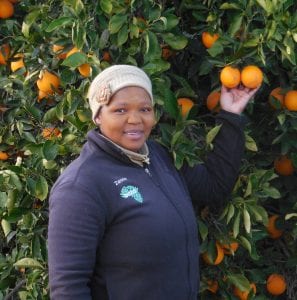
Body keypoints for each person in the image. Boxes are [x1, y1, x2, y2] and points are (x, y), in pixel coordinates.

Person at [48, 64, 259, 299]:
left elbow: (214, 188)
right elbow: (68, 287)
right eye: (120, 110)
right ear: (98, 115)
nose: (135, 119)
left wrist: (231, 114)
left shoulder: (158, 156)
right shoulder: (81, 186)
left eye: (145, 109)